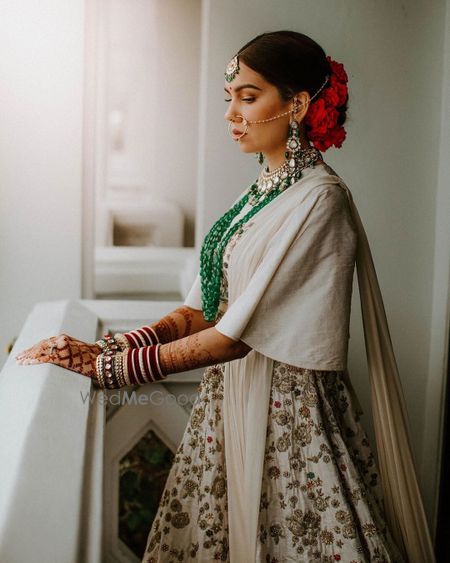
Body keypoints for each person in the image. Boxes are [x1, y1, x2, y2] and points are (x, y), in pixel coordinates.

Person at [15, 30, 435, 563]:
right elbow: (200, 308)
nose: (231, 112)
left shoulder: (320, 200)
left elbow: (232, 338)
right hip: (229, 399)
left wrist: (110, 370)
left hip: (287, 414)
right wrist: (110, 348)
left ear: (298, 105)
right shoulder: (262, 191)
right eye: (229, 97)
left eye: (249, 95)